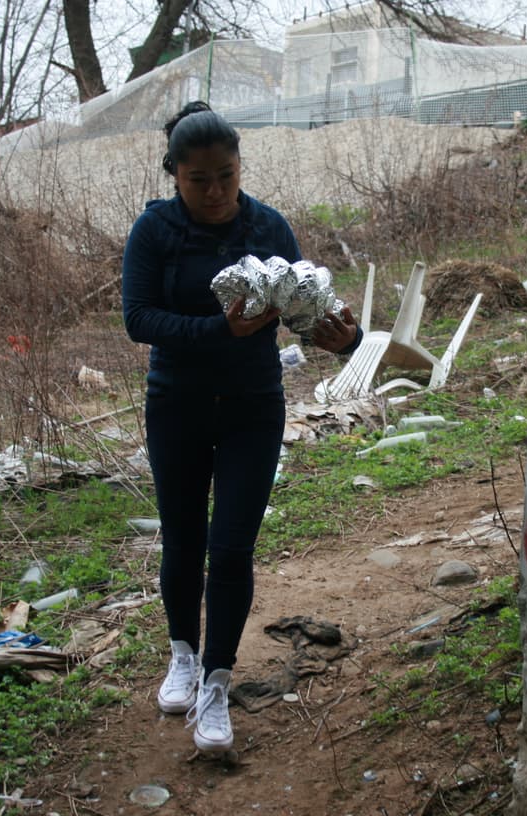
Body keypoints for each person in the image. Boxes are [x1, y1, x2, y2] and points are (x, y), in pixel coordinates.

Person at [121, 101, 362, 753]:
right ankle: (182, 654)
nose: (216, 191)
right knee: (184, 538)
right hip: (177, 405)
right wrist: (214, 329)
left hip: (254, 406)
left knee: (230, 548)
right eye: (198, 179)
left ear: (239, 167)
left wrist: (344, 338)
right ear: (174, 174)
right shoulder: (155, 233)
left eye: (226, 174)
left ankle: (217, 684)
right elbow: (138, 318)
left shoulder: (267, 226)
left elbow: (301, 305)